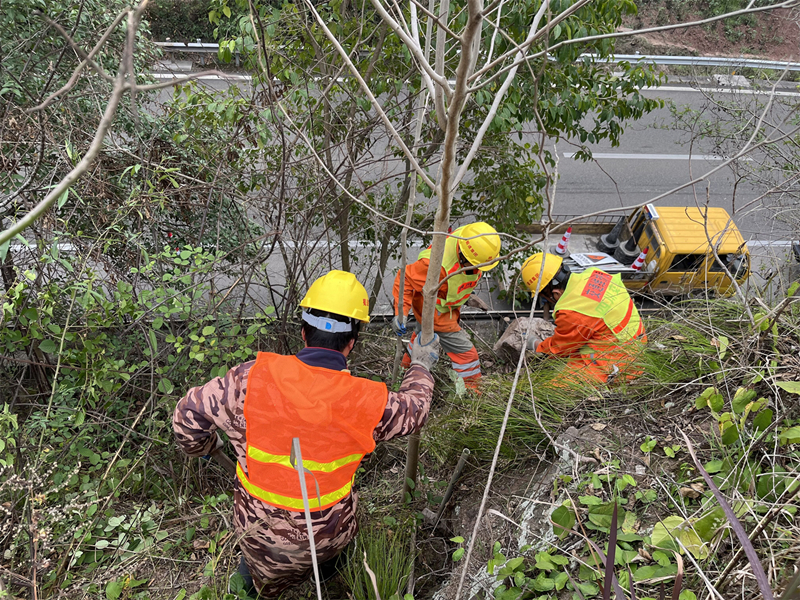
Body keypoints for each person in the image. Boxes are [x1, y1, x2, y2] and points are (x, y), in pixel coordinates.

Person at [172, 270, 440, 597]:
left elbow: (187, 417)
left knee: (259, 583)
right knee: (331, 565)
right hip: (329, 534)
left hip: (262, 537)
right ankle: (327, 580)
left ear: (303, 333)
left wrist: (204, 446)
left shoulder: (248, 380)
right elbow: (416, 411)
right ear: (352, 343)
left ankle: (258, 588)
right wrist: (421, 366)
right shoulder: (367, 401)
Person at [391, 222, 501, 389]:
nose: (479, 269)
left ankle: (403, 375)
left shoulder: (466, 237)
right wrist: (401, 313)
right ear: (463, 256)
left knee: (420, 340)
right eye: (476, 265)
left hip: (440, 309)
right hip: (436, 314)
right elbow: (405, 278)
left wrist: (467, 297)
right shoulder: (437, 265)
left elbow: (456, 282)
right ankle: (472, 392)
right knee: (467, 355)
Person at [518, 252, 646, 385]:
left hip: (623, 363)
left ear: (556, 293)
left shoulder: (572, 311)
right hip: (636, 341)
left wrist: (536, 344)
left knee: (552, 390)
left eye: (545, 297)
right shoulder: (594, 274)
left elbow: (559, 349)